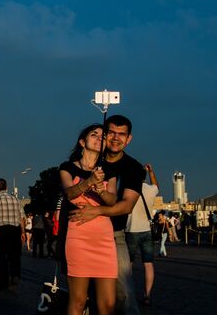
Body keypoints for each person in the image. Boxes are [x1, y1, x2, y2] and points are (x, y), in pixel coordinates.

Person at [69, 115, 147, 315]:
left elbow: (127, 205)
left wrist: (96, 211)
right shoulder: (87, 158)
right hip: (80, 234)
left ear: (128, 139)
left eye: (121, 134)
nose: (115, 138)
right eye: (111, 132)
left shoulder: (133, 168)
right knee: (82, 297)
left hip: (114, 236)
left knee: (123, 295)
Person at [60, 123, 119, 315]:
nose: (99, 138)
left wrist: (101, 191)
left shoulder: (108, 171)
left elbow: (112, 200)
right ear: (82, 142)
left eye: (103, 136)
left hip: (104, 239)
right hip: (79, 236)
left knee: (108, 304)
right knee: (77, 301)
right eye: (94, 135)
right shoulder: (67, 168)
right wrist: (90, 182)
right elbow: (69, 193)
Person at [125, 163, 160, 306]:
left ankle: (127, 293)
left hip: (131, 229)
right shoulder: (150, 190)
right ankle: (147, 295)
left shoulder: (127, 189)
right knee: (148, 264)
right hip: (147, 230)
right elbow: (156, 186)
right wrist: (151, 172)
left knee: (128, 265)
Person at [0, 178, 25, 292]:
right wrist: (22, 232)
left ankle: (2, 283)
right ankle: (15, 275)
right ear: (6, 187)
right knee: (15, 256)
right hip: (14, 230)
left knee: (0, 258)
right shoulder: (15, 200)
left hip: (0, 231)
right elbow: (21, 217)